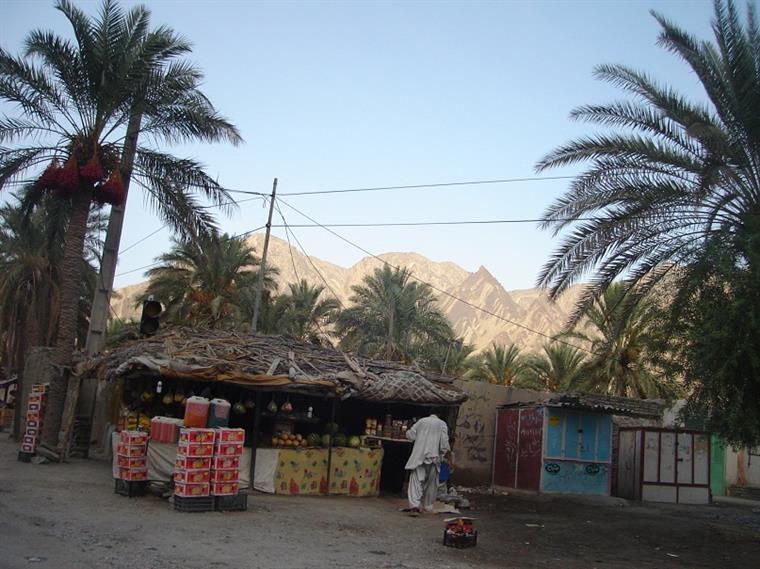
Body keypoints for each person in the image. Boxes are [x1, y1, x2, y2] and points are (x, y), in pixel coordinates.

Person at [404, 413, 451, 513]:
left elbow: (410, 435)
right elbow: (444, 443)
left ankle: (414, 505)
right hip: (434, 456)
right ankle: (427, 505)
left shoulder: (421, 421)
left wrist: (406, 431)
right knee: (431, 483)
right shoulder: (442, 424)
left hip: (419, 455)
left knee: (416, 480)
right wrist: (442, 453)